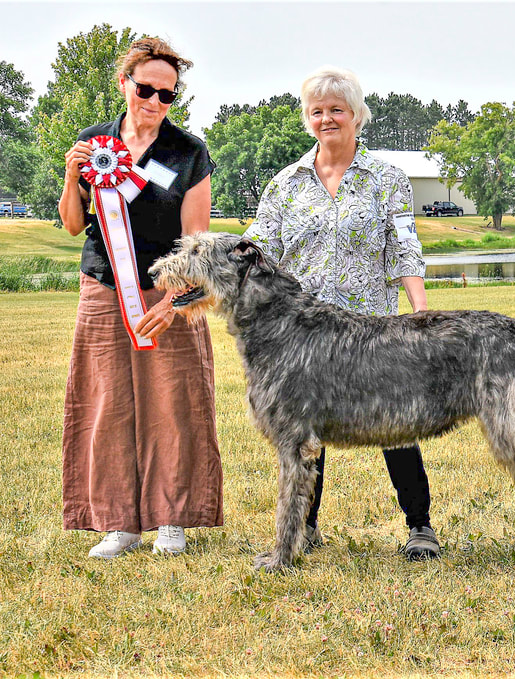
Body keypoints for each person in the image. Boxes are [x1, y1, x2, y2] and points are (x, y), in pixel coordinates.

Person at [244, 66, 439, 560]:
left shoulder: (388, 178)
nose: (327, 117)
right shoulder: (284, 183)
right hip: (301, 335)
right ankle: (305, 529)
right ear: (307, 118)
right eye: (317, 110)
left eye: (336, 109)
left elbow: (404, 247)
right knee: (304, 434)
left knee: (396, 425)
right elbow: (259, 249)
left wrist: (420, 312)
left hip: (372, 331)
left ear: (356, 115)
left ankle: (420, 527)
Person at [59, 38, 222, 558]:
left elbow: (194, 242)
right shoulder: (93, 143)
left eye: (167, 94)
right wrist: (71, 173)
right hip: (103, 288)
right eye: (146, 88)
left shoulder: (189, 152)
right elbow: (70, 225)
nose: (154, 101)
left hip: (166, 290)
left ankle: (171, 518)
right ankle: (118, 523)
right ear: (124, 83)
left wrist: (170, 304)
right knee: (107, 403)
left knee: (173, 403)